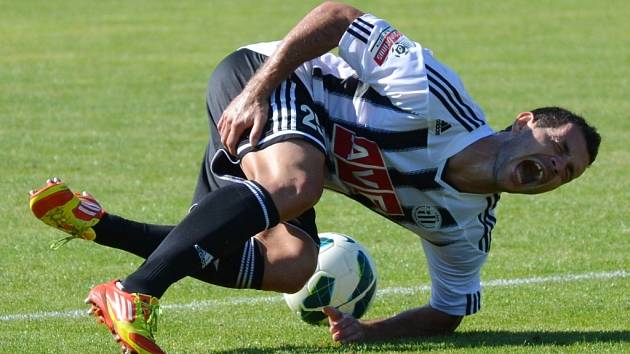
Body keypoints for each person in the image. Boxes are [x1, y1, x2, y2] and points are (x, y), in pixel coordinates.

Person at [29, 1, 601, 353]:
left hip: (296, 152)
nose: (554, 169)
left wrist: (372, 332)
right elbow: (337, 17)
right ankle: (136, 292)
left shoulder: (466, 224)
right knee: (299, 182)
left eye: (566, 173)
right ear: (523, 123)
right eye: (556, 149)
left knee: (291, 265)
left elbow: (449, 311)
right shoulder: (434, 97)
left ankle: (101, 226)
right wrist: (259, 88)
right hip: (267, 78)